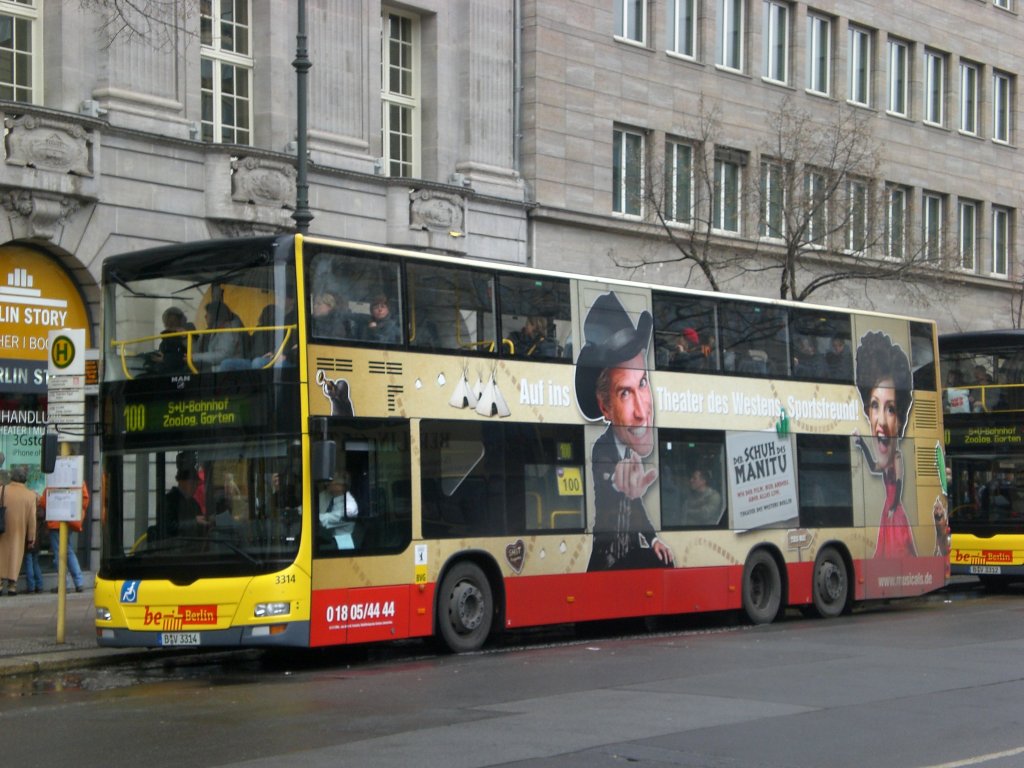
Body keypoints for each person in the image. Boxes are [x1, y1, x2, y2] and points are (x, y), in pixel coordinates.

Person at [574, 292, 673, 571]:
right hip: (609, 559)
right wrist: (621, 484)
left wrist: (653, 539)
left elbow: (636, 505)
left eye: (642, 383)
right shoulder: (603, 449)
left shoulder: (629, 451)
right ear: (605, 407)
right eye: (625, 393)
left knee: (664, 563)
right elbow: (611, 481)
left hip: (631, 553)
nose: (642, 412)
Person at [853, 331, 917, 559]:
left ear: (900, 419)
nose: (880, 421)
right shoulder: (886, 461)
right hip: (887, 513)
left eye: (890, 409)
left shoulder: (897, 457)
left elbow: (898, 484)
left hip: (894, 513)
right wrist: (861, 444)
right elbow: (873, 466)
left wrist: (892, 507)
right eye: (874, 405)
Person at [40, 483, 89, 593]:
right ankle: (79, 582)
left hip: (55, 522)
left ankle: (64, 584)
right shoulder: (77, 480)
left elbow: (44, 501)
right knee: (68, 551)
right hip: (70, 521)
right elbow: (85, 499)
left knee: (59, 553)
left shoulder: (55, 479)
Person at [0, 465, 38, 596]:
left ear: (12, 476)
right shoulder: (30, 495)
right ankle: (12, 586)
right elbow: (32, 520)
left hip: (2, 529)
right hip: (19, 531)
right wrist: (31, 538)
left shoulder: (2, 490)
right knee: (15, 555)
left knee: (1, 555)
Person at [157, 467, 209, 540]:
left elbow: (201, 526)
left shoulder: (194, 503)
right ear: (182, 482)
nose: (195, 487)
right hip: (172, 544)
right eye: (192, 483)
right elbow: (167, 527)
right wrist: (194, 522)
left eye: (197, 484)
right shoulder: (168, 501)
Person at [192, 300, 244, 370]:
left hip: (230, 369)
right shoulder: (211, 331)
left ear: (215, 315)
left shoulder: (231, 329)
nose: (205, 316)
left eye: (208, 313)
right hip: (214, 366)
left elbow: (223, 355)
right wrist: (185, 338)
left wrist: (195, 357)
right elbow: (196, 350)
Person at [318, 471, 359, 549]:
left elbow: (324, 519)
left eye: (331, 481)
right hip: (326, 538)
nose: (327, 483)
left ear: (341, 486)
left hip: (341, 545)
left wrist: (305, 516)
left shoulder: (350, 508)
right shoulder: (327, 495)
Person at [145, 306, 191, 374]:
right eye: (167, 320)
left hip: (180, 374)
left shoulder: (188, 334)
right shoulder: (166, 338)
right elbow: (163, 352)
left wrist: (165, 359)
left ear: (180, 321)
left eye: (173, 321)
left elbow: (188, 356)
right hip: (164, 372)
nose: (169, 323)